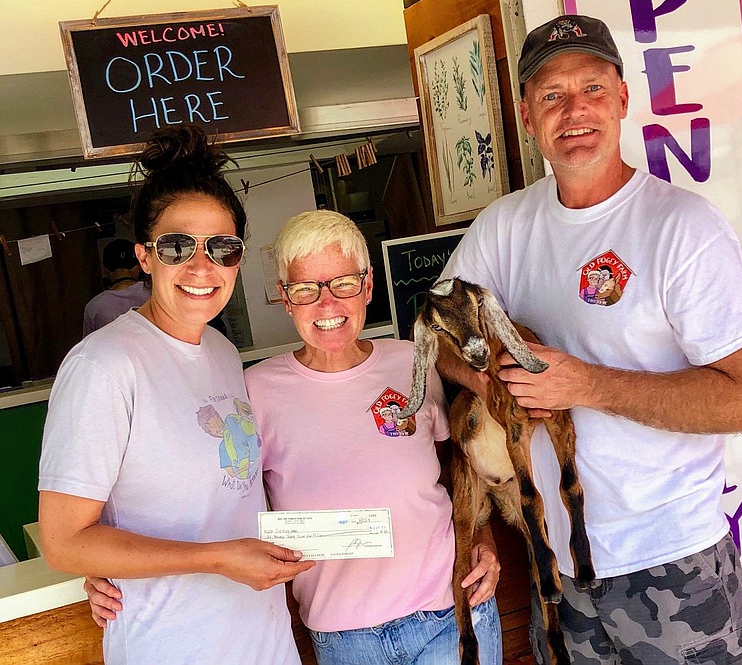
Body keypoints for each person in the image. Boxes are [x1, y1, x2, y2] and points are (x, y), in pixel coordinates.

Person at [440, 14, 742, 664]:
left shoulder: (680, 227)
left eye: (592, 89)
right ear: (527, 116)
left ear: (623, 99)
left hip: (673, 563)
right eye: (552, 95)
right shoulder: (505, 227)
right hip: (560, 571)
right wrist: (491, 380)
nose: (575, 111)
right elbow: (441, 332)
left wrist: (585, 384)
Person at [88, 209, 504, 664]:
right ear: (285, 300)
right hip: (344, 637)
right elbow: (210, 500)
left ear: (367, 286)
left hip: (453, 611)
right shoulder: (254, 391)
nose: (327, 306)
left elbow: (460, 470)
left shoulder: (412, 361)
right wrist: (105, 567)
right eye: (306, 290)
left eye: (344, 283)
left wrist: (482, 534)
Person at [39, 124, 312, 665]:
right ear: (144, 256)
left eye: (222, 247)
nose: (201, 265)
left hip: (264, 640)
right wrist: (218, 560)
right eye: (176, 245)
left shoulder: (222, 352)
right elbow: (64, 541)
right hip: (172, 646)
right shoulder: (103, 365)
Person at [82, 238, 150, 335]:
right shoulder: (155, 293)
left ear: (105, 268)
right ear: (139, 266)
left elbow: (88, 346)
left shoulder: (94, 307)